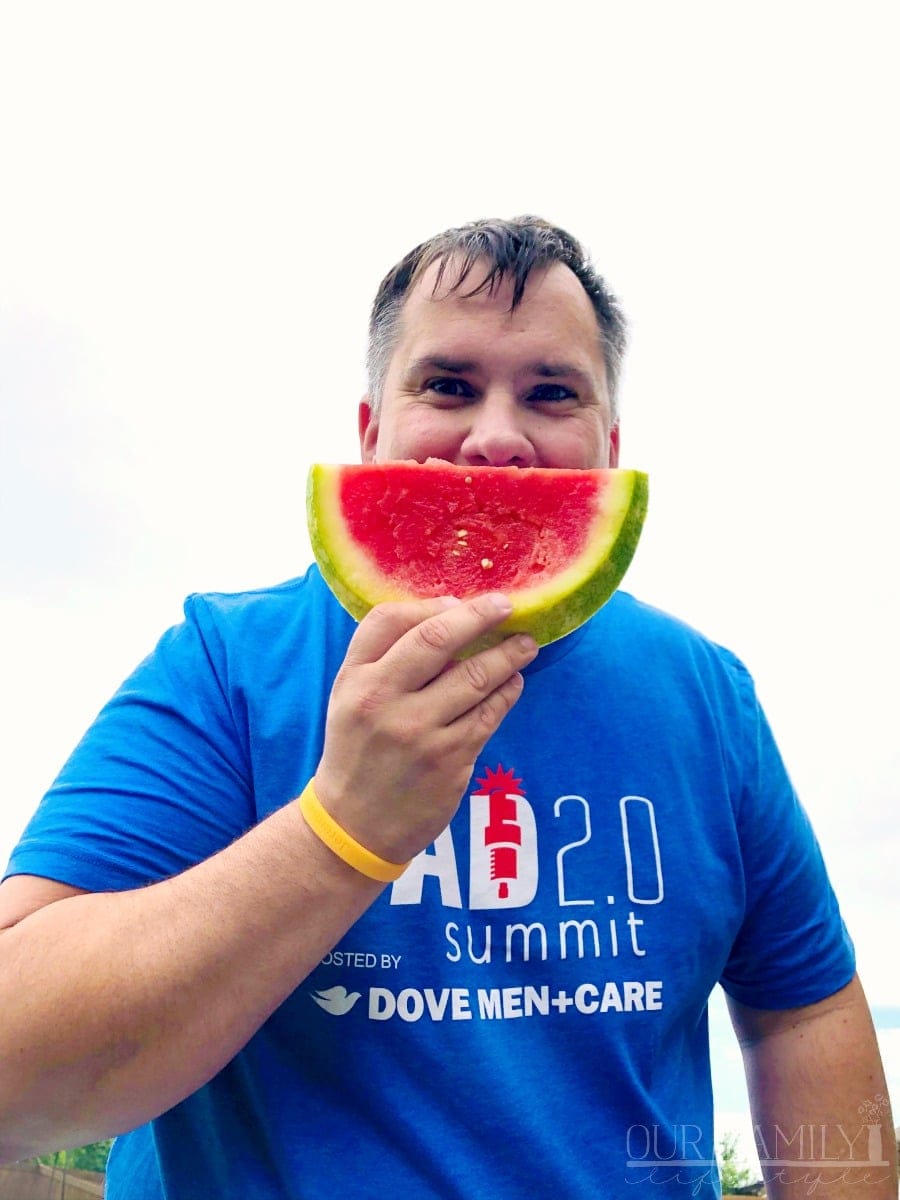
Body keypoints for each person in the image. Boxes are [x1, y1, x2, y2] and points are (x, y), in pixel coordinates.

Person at [0, 217, 895, 1200]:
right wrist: (334, 835)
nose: (497, 438)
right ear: (371, 431)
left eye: (552, 394)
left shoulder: (707, 697)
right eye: (448, 386)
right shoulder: (227, 668)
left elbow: (801, 1011)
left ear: (611, 447)